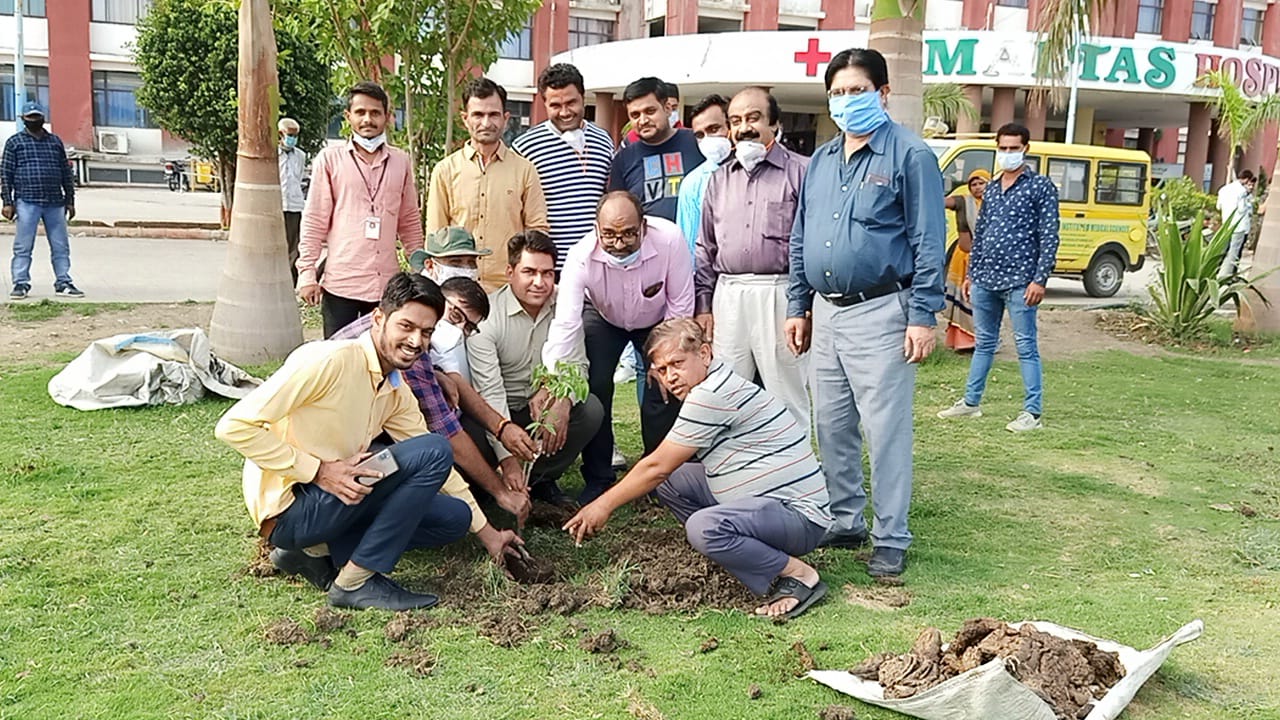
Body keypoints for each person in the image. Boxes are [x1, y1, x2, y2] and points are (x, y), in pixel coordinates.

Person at [215, 273, 525, 611]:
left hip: (334, 499)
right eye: (406, 326)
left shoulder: (394, 387)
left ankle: (311, 552)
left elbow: (436, 464)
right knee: (434, 450)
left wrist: (489, 533)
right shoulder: (329, 360)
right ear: (378, 318)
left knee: (454, 518)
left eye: (426, 332)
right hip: (291, 508)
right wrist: (318, 471)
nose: (415, 341)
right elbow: (233, 427)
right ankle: (354, 581)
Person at [785, 48, 946, 579]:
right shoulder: (823, 160)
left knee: (885, 430)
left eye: (857, 91)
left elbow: (927, 241)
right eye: (837, 92)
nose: (846, 101)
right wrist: (798, 305)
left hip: (883, 311)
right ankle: (845, 516)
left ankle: (891, 534)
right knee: (831, 425)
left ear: (882, 94)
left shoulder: (910, 155)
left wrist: (923, 315)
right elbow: (802, 235)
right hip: (826, 312)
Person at [564, 319, 832, 620]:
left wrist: (602, 505)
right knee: (673, 483)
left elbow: (656, 466)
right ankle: (736, 552)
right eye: (662, 370)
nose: (671, 377)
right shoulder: (711, 384)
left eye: (677, 363)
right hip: (766, 503)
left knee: (702, 526)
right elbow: (664, 472)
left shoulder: (710, 395)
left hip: (799, 517)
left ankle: (798, 574)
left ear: (704, 354)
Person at [543, 191, 695, 505]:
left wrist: (662, 361)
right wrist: (556, 382)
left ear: (644, 226)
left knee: (661, 389)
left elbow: (680, 306)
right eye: (609, 234)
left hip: (657, 321)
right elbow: (566, 324)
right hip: (603, 316)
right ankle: (599, 477)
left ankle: (659, 478)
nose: (619, 242)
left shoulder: (670, 239)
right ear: (597, 229)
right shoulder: (581, 255)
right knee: (596, 389)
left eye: (628, 233)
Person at [695, 87, 810, 430]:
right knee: (725, 389)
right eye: (735, 120)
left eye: (753, 118)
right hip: (728, 293)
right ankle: (734, 472)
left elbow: (810, 244)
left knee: (785, 390)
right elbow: (706, 246)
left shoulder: (801, 172)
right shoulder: (718, 178)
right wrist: (704, 306)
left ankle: (795, 472)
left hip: (779, 291)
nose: (744, 127)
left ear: (774, 123)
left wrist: (802, 306)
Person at [466, 231, 605, 508]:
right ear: (510, 272)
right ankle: (489, 483)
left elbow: (577, 365)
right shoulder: (488, 316)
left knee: (590, 410)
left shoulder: (565, 307)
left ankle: (541, 481)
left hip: (542, 410)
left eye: (548, 273)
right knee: (469, 430)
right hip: (498, 412)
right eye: (529, 272)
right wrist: (507, 459)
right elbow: (489, 392)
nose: (539, 282)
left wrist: (561, 401)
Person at [938, 123, 1059, 433]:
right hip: (985, 279)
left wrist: (1039, 279)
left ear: (1026, 149)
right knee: (984, 343)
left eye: (1013, 148)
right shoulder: (990, 188)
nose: (1007, 154)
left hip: (1021, 281)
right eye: (1003, 148)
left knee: (1025, 346)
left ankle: (1032, 413)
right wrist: (972, 274)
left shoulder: (1040, 187)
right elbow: (983, 234)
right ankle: (970, 402)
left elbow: (1049, 235)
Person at [297, 82, 424, 338]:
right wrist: (307, 273)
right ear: (348, 117)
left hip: (385, 287)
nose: (368, 119)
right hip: (340, 284)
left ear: (387, 117)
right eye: (361, 112)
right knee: (337, 357)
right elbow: (314, 220)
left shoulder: (400, 161)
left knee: (381, 357)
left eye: (375, 113)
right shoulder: (330, 159)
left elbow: (409, 220)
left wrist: (420, 268)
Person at [427, 77, 549, 290]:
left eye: (493, 115)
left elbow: (536, 231)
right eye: (478, 115)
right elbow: (435, 237)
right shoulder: (445, 170)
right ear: (465, 119)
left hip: (508, 287)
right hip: (458, 289)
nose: (486, 123)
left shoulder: (524, 170)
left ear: (505, 118)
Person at [511, 64, 613, 269]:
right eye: (555, 105)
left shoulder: (604, 140)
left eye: (571, 103)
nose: (565, 112)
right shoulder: (525, 147)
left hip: (598, 264)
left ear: (583, 98)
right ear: (545, 104)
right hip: (550, 268)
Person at [3, 102, 81, 300]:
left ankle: (63, 282)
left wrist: (70, 200)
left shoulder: (55, 142)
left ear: (43, 118)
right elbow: (6, 174)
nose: (34, 120)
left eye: (37, 116)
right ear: (23, 119)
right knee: (23, 245)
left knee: (60, 245)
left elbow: (65, 172)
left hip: (55, 202)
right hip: (27, 201)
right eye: (30, 117)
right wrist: (7, 202)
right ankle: (20, 283)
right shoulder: (15, 143)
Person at [608, 77, 704, 223]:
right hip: (647, 243)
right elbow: (618, 210)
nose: (643, 120)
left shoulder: (697, 143)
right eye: (635, 115)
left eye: (650, 111)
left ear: (667, 109)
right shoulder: (623, 159)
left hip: (697, 241)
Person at [675, 94, 731, 257]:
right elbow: (688, 243)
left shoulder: (761, 171)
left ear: (731, 126)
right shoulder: (693, 183)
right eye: (700, 135)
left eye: (714, 129)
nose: (707, 139)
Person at [941, 169, 990, 352]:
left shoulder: (995, 205)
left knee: (979, 300)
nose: (977, 188)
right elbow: (943, 203)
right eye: (974, 184)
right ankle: (960, 341)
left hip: (984, 261)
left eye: (981, 183)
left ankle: (978, 339)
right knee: (961, 298)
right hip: (962, 258)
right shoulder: (964, 201)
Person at [278, 117, 307, 285]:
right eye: (289, 135)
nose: (292, 139)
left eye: (295, 136)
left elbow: (299, 177)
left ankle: (291, 281)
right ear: (280, 135)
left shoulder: (300, 155)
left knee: (294, 246)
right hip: (278, 203)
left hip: (295, 205)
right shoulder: (274, 154)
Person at [410, 226, 489, 286]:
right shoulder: (417, 301)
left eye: (471, 262)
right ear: (430, 265)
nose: (466, 269)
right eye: (455, 263)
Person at [1217, 169, 1256, 278]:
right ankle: (1225, 276)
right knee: (1233, 253)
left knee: (1222, 251)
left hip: (1226, 225)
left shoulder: (1223, 189)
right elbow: (1242, 209)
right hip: (1239, 227)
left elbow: (1218, 206)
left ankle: (1215, 272)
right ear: (1246, 179)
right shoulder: (1242, 192)